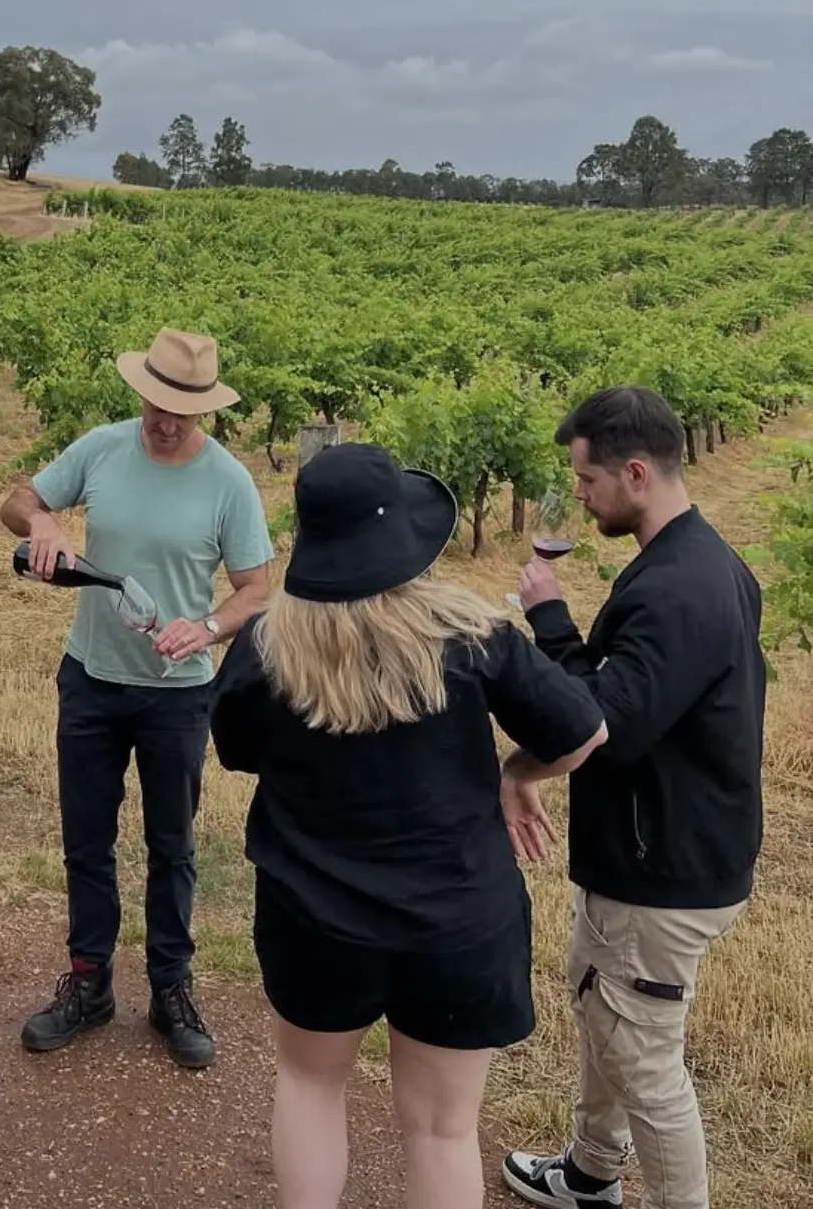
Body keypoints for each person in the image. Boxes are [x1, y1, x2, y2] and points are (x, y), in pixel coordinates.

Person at [212, 441, 606, 1209]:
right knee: (443, 1130)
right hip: (456, 919)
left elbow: (236, 751)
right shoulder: (471, 634)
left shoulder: (266, 646)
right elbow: (585, 733)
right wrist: (515, 774)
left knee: (309, 1085)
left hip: (313, 916)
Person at [504, 387, 766, 1209]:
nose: (578, 497)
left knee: (645, 1062)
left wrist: (549, 627)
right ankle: (589, 1175)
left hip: (663, 868)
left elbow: (602, 727)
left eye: (586, 481)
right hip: (677, 845)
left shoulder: (675, 591)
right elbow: (635, 704)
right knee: (604, 1010)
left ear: (638, 473)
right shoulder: (704, 560)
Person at [0, 327, 274, 1069]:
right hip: (89, 680)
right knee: (87, 842)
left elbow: (257, 590)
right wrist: (46, 519)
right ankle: (88, 984)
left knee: (172, 847)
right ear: (141, 393)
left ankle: (171, 990)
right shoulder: (102, 446)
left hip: (176, 696)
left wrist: (209, 627)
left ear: (205, 412)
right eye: (155, 404)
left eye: (180, 411)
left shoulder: (229, 483)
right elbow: (17, 501)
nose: (163, 421)